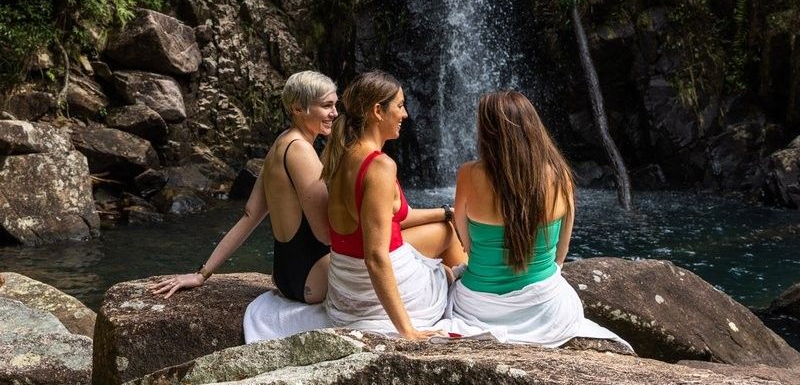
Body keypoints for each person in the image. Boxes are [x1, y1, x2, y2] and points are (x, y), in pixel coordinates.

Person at [448, 90, 630, 348]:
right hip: (545, 311)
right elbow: (561, 253)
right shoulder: (561, 175)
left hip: (479, 309)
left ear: (488, 131)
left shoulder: (468, 174)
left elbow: (466, 244)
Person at [151, 69, 337, 304]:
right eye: (327, 106)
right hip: (313, 281)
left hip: (285, 279)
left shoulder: (281, 142)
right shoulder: (301, 150)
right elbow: (326, 235)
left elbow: (250, 214)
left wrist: (202, 274)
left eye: (335, 105)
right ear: (298, 109)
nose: (334, 113)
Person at [321, 70, 466, 339]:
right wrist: (407, 330)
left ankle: (457, 278)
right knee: (448, 263)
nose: (405, 114)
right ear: (378, 110)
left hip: (344, 293)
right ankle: (469, 295)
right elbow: (375, 257)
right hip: (369, 300)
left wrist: (448, 212)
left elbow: (395, 216)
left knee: (445, 225)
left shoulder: (340, 155)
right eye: (399, 106)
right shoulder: (379, 166)